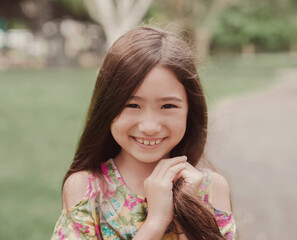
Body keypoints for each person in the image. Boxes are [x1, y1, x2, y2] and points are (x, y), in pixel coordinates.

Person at [51, 26, 236, 240]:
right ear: (108, 108)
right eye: (132, 105)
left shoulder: (211, 189)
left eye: (168, 106)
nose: (149, 126)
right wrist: (156, 221)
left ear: (190, 111)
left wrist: (187, 212)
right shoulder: (86, 190)